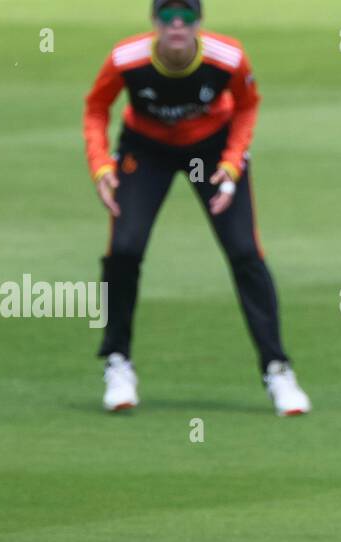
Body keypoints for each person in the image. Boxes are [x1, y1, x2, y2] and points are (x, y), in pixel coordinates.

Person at [82, 0, 309, 415]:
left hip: (210, 151)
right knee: (125, 250)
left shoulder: (228, 58)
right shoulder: (126, 59)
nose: (176, 26)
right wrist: (100, 165)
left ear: (198, 24)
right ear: (154, 23)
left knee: (244, 251)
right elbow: (97, 107)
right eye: (167, 17)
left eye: (185, 18)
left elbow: (247, 105)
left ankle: (277, 370)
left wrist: (231, 165)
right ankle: (118, 363)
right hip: (145, 150)